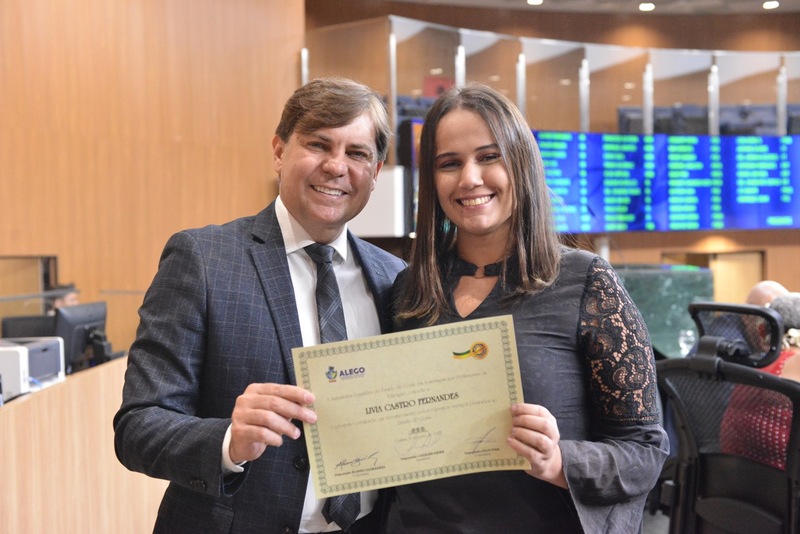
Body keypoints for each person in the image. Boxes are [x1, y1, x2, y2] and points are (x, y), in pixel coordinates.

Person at [113, 77, 406, 533]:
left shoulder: (395, 279)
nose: (336, 166)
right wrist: (229, 440)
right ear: (279, 151)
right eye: (318, 144)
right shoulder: (203, 260)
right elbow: (138, 426)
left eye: (357, 153)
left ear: (376, 172)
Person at [388, 84, 668, 532]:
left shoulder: (586, 281)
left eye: (489, 157)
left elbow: (644, 451)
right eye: (449, 163)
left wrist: (559, 461)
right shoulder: (409, 290)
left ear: (520, 163)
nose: (469, 178)